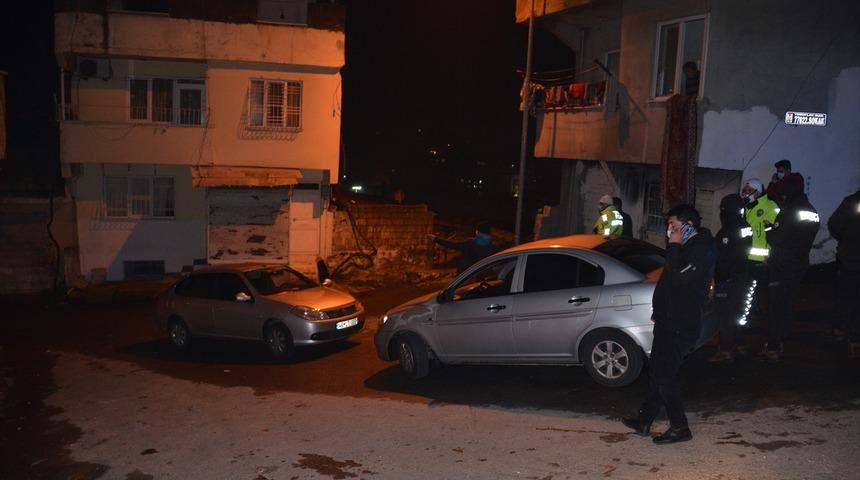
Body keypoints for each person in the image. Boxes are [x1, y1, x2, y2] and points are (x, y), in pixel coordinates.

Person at [622, 204, 716, 444]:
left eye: (673, 225)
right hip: (668, 320)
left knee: (664, 375)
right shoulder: (687, 247)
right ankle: (644, 420)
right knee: (659, 372)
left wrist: (673, 246)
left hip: (681, 324)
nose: (669, 230)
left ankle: (680, 427)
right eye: (668, 226)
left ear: (688, 225)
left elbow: (676, 279)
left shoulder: (700, 250)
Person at [762, 179, 819, 361]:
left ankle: (773, 345)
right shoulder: (811, 210)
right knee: (788, 302)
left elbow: (776, 238)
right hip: (799, 263)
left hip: (782, 264)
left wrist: (769, 228)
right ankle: (782, 338)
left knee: (776, 305)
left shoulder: (790, 210)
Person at [708, 194, 752, 363]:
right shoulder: (745, 226)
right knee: (738, 313)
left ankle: (725, 351)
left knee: (725, 316)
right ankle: (739, 344)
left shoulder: (728, 230)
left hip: (728, 279)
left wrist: (717, 278)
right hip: (742, 276)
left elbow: (724, 258)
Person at [741, 178, 779, 323]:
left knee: (753, 290)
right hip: (745, 255)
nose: (746, 194)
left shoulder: (770, 206)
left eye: (749, 191)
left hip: (760, 258)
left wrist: (768, 256)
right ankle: (750, 314)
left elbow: (773, 234)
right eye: (745, 190)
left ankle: (750, 317)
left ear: (758, 192)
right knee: (746, 289)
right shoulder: (745, 206)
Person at [827, 188, 860, 355]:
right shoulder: (851, 202)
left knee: (846, 294)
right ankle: (853, 336)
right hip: (851, 257)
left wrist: (846, 240)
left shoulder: (851, 202)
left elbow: (834, 224)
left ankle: (841, 329)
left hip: (850, 258)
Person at [429, 221, 496, 274]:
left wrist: (435, 239)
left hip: (466, 277)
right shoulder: (493, 247)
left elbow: (452, 244)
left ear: (478, 232)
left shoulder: (470, 243)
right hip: (483, 278)